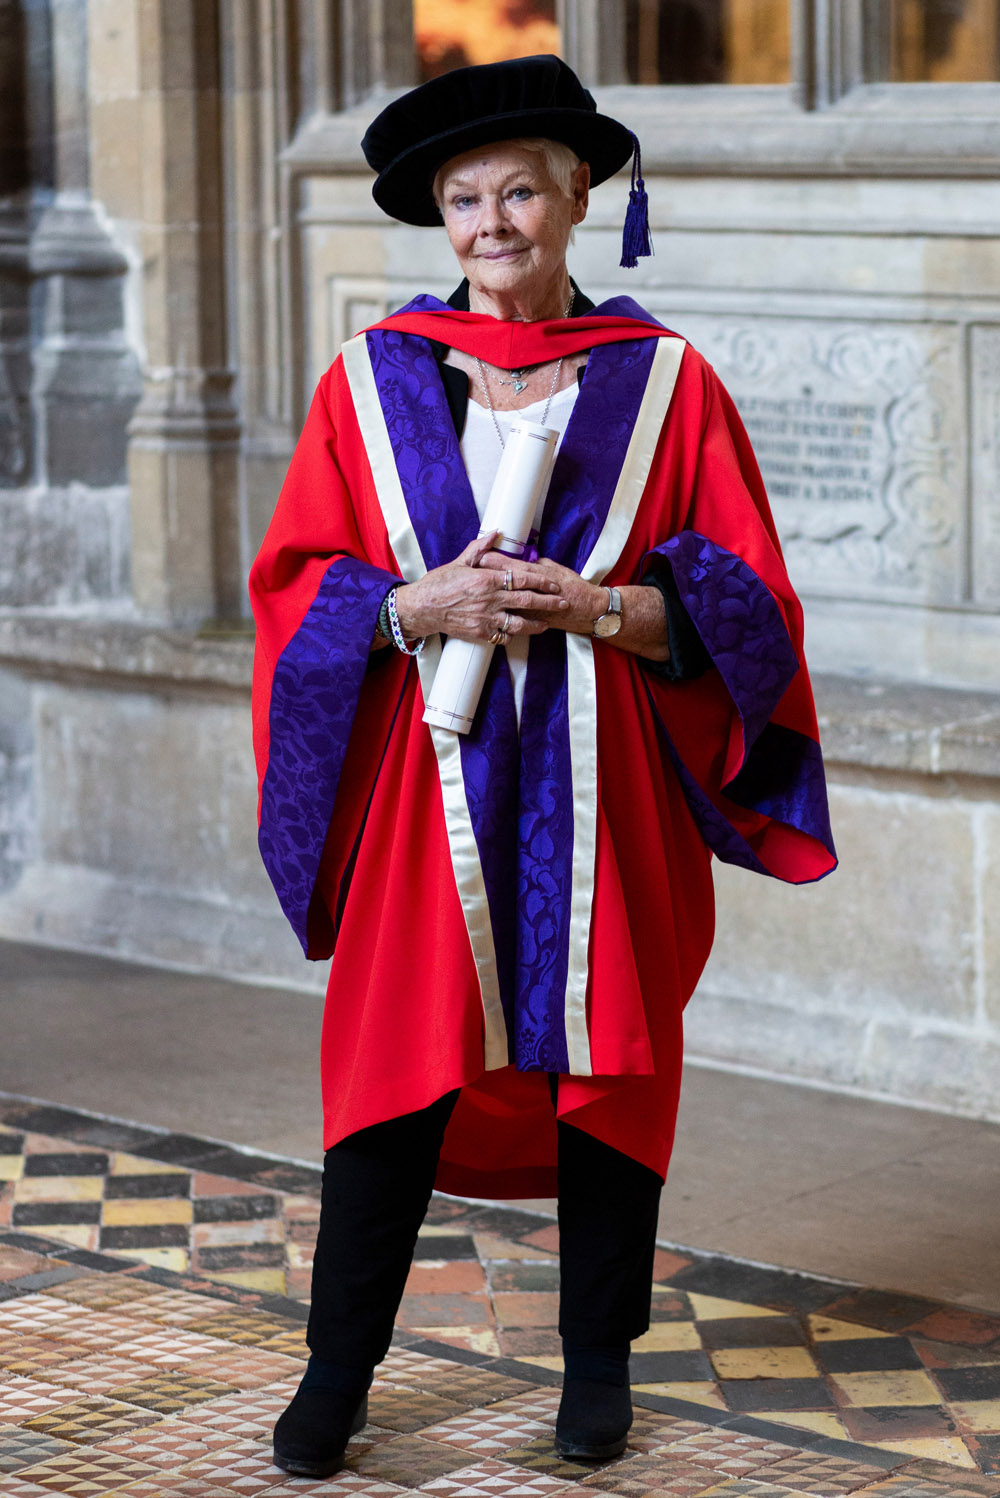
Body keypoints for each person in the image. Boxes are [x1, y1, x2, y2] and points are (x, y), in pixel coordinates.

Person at [250, 53, 837, 1480]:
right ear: (436, 217)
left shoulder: (667, 382)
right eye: (465, 197)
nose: (494, 219)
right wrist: (413, 604)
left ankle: (595, 1371)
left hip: (602, 772)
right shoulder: (369, 377)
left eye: (521, 188)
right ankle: (338, 1369)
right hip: (426, 780)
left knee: (610, 1063)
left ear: (580, 198)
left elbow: (749, 603)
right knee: (397, 1058)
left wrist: (598, 607)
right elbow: (296, 579)